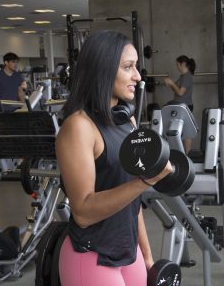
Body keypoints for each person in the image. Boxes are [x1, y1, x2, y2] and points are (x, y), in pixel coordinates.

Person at [56, 30, 172, 286]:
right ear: (103, 70)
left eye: (136, 67)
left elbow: (131, 201)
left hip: (130, 254)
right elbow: (83, 211)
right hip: (91, 257)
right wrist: (146, 181)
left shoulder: (125, 120)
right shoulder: (78, 127)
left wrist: (147, 255)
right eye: (128, 67)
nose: (138, 76)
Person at [164, 55, 196, 154]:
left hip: (185, 106)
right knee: (180, 130)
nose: (177, 67)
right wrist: (170, 84)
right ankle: (183, 154)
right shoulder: (182, 76)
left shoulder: (187, 76)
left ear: (182, 64)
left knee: (186, 132)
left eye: (177, 64)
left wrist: (171, 83)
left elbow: (181, 93)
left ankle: (187, 154)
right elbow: (176, 91)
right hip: (180, 106)